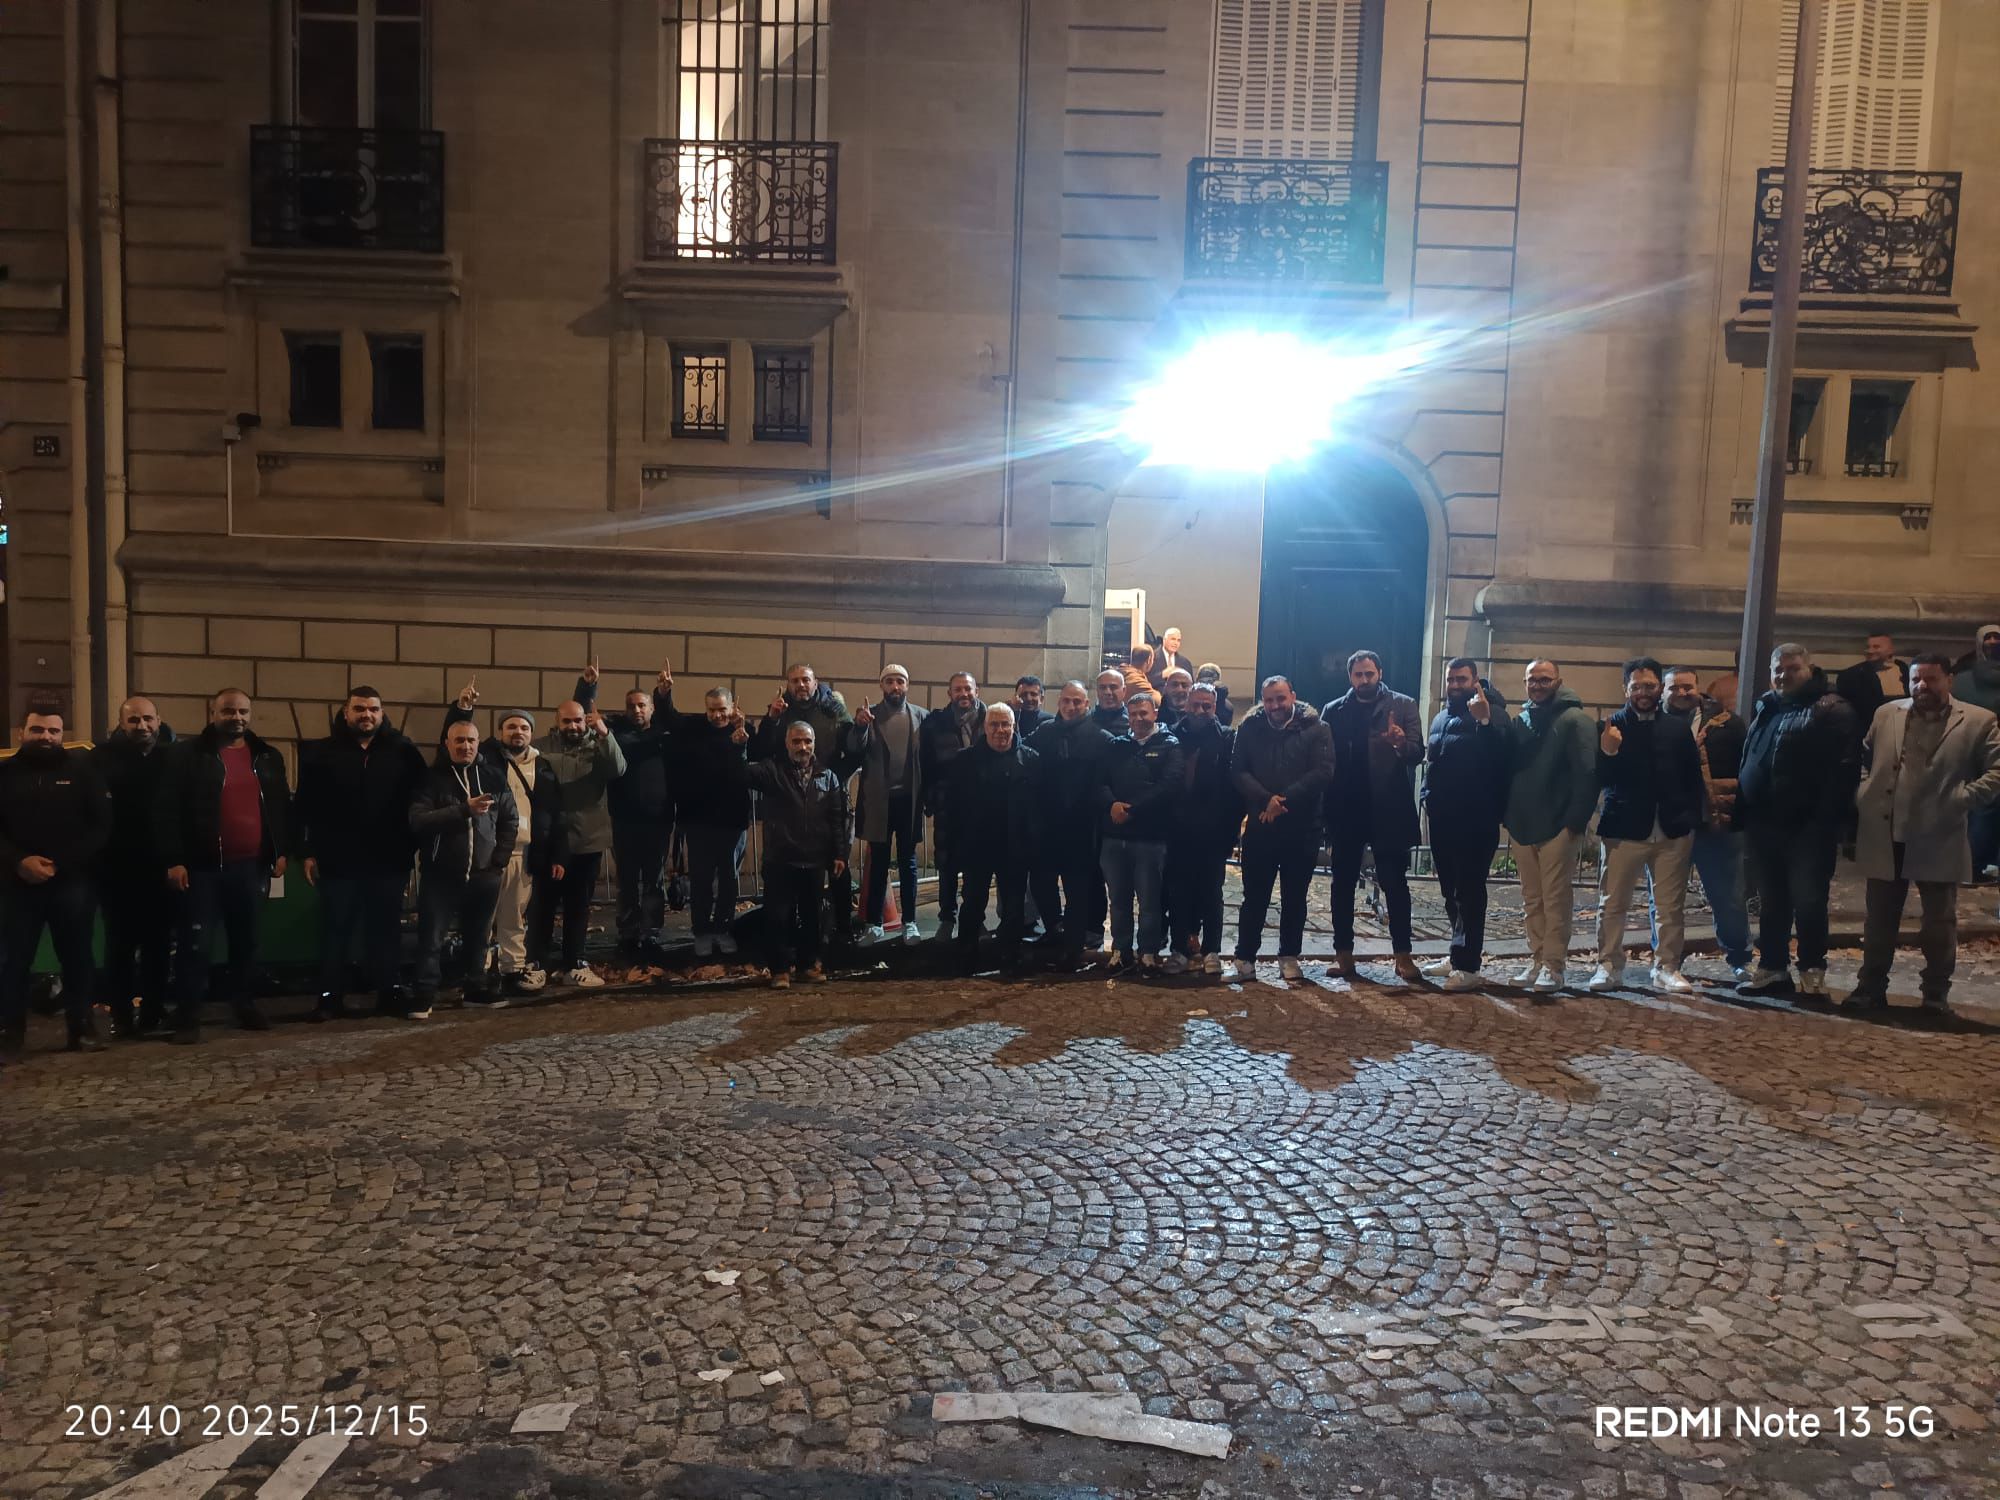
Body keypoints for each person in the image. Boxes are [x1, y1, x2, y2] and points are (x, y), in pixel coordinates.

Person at [1847, 653, 2000, 1014]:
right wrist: (1865, 791)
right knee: (1879, 918)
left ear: (1949, 679)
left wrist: (1963, 798)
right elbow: (1864, 756)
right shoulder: (1887, 714)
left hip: (1939, 831)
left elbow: (1996, 770)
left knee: (1939, 920)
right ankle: (1870, 987)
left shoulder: (1977, 720)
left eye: (1930, 679)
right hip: (1887, 829)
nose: (1921, 686)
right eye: (1915, 679)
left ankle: (1935, 993)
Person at [156, 689, 291, 1042]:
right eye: (229, 711)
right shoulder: (187, 755)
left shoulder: (267, 756)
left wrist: (279, 850)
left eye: (243, 711)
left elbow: (279, 806)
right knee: (195, 945)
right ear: (213, 712)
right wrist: (174, 860)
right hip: (201, 868)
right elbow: (167, 810)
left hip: (251, 868)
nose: (237, 717)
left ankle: (244, 1005)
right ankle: (188, 1016)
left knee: (246, 942)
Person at [295, 686, 429, 1020]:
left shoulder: (404, 752)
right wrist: (307, 851)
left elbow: (422, 799)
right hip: (337, 861)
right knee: (335, 930)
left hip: (388, 861)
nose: (366, 715)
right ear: (346, 713)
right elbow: (304, 806)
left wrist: (410, 845)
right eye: (359, 709)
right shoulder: (321, 753)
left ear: (382, 714)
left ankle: (388, 992)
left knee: (386, 930)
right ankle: (329, 997)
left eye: (373, 709)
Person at [1735, 644, 1859, 996]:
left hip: (1808, 827)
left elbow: (1844, 771)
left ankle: (1812, 970)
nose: (1783, 675)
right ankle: (1773, 968)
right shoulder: (1768, 707)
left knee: (1809, 900)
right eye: (1778, 669)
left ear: (1810, 668)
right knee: (1772, 901)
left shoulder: (1832, 709)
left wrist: (1825, 821)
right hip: (1765, 823)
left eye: (1792, 669)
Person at [0, 696, 112, 1056]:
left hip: (72, 883)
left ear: (63, 733)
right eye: (37, 729)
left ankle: (81, 1030)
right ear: (21, 732)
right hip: (16, 883)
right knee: (13, 961)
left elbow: (101, 826)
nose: (46, 736)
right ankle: (10, 1034)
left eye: (53, 730)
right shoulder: (3, 773)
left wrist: (58, 863)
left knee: (78, 959)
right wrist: (19, 861)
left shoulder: (83, 772)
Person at [1587, 658, 1703, 993]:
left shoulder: (1677, 728)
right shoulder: (1609, 726)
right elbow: (1599, 779)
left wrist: (1690, 819)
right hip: (1623, 828)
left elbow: (1692, 778)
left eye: (1649, 686)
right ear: (1625, 689)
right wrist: (1608, 752)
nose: (1642, 692)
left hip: (1671, 830)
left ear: (1659, 688)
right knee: (1612, 904)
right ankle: (1608, 966)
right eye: (1636, 686)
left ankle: (1666, 967)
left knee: (1669, 906)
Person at [443, 685, 567, 996]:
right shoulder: (486, 760)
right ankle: (480, 970)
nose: (518, 732)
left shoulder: (543, 766)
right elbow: (457, 736)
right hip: (491, 850)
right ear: (500, 732)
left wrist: (557, 854)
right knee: (483, 916)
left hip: (525, 853)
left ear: (531, 733)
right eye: (511, 726)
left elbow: (555, 813)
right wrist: (463, 709)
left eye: (524, 727)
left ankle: (513, 968)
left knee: (515, 915)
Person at [1321, 650, 1425, 982]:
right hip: (1346, 809)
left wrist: (1400, 743)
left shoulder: (1403, 705)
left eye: (1369, 673)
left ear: (1379, 672)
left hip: (1388, 808)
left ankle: (1403, 955)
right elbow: (1325, 759)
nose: (1364, 680)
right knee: (1342, 885)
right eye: (1358, 675)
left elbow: (1417, 753)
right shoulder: (1334, 710)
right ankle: (1343, 954)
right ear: (1350, 677)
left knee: (1395, 884)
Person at [409, 720, 520, 1017]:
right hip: (441, 874)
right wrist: (463, 810)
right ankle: (424, 993)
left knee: (479, 937)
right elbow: (418, 820)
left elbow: (509, 819)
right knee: (432, 937)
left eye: (471, 740)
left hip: (485, 874)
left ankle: (475, 987)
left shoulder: (493, 775)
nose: (465, 746)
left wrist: (499, 860)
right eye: (459, 740)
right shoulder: (431, 778)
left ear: (478, 742)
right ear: (447, 744)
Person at [1502, 660, 1598, 992]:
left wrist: (1574, 822)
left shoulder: (1575, 720)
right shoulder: (1523, 719)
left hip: (1557, 825)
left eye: (1544, 679)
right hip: (1523, 823)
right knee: (1532, 898)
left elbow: (1587, 773)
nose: (1537, 685)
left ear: (1558, 681)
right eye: (1532, 680)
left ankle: (1554, 966)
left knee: (1555, 900)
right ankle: (1538, 958)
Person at [731, 719, 848, 988]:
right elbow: (741, 775)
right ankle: (780, 970)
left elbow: (836, 818)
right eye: (796, 741)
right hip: (780, 859)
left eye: (807, 741)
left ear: (814, 744)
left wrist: (839, 854)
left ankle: (808, 965)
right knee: (778, 917)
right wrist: (739, 749)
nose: (802, 747)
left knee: (812, 917)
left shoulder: (827, 776)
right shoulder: (772, 771)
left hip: (815, 859)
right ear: (787, 744)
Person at [1230, 675, 1333, 980]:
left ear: (1293, 696)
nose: (1275, 705)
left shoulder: (1318, 728)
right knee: (1254, 897)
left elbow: (1322, 772)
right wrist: (1266, 800)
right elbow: (1238, 770)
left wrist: (1282, 800)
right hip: (1261, 824)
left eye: (1280, 698)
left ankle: (1289, 956)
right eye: (1269, 700)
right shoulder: (1250, 727)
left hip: (1302, 827)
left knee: (1295, 897)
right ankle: (1244, 958)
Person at [575, 659, 674, 961]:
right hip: (624, 819)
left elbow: (673, 716)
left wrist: (664, 694)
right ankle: (628, 933)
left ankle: (651, 933)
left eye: (642, 705)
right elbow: (584, 715)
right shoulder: (615, 729)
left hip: (658, 820)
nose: (637, 710)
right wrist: (588, 686)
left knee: (655, 880)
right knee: (627, 880)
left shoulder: (663, 734)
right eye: (632, 706)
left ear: (651, 708)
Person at [1422, 658, 1511, 990]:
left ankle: (1468, 965)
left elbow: (1502, 759)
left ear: (1475, 680)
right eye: (1451, 680)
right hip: (1443, 816)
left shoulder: (1494, 714)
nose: (1455, 685)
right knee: (1450, 890)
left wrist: (1484, 721)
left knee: (1470, 891)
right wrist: (1426, 795)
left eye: (1461, 679)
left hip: (1476, 817)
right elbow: (1434, 762)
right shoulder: (1441, 717)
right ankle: (1457, 953)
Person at [93, 696, 177, 1037]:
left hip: (161, 868)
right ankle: (122, 1015)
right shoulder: (100, 759)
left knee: (159, 945)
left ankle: (153, 1012)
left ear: (158, 720)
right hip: (116, 869)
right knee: (120, 947)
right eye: (133, 720)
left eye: (147, 719)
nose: (142, 726)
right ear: (121, 723)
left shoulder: (173, 758)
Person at [1663, 667, 1753, 980]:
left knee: (1729, 898)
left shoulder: (1728, 723)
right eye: (1674, 688)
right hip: (1671, 825)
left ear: (1698, 688)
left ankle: (1740, 959)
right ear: (1664, 691)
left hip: (1717, 824)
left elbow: (1746, 766)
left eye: (1687, 687)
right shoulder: (1654, 724)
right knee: (1665, 901)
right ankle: (1666, 963)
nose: (1681, 693)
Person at [531, 695, 627, 988]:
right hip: (548, 841)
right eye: (566, 721)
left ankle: (574, 962)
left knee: (578, 905)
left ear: (585, 720)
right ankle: (537, 962)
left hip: (587, 839)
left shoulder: (598, 746)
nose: (572, 726)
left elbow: (618, 768)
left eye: (577, 720)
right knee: (543, 905)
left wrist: (605, 734)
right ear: (557, 722)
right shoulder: (541, 747)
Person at [655, 671, 752, 959]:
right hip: (697, 820)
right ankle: (701, 931)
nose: (717, 715)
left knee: (729, 881)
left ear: (732, 707)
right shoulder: (694, 727)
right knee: (700, 880)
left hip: (733, 820)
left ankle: (723, 929)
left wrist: (743, 743)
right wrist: (663, 694)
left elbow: (759, 754)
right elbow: (669, 717)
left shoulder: (746, 730)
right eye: (711, 710)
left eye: (722, 709)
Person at [947, 703, 1040, 972]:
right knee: (973, 902)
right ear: (985, 728)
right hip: (978, 845)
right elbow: (953, 806)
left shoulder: (1031, 759)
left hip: (1015, 846)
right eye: (994, 724)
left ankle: (1010, 956)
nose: (1000, 730)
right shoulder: (965, 760)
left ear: (1014, 726)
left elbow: (1038, 807)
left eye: (1005, 724)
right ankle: (966, 955)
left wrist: (1032, 843)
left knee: (1013, 906)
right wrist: (955, 845)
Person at [1028, 680, 1114, 961]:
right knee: (1041, 883)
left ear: (1087, 704)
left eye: (1077, 701)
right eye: (1066, 701)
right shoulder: (1045, 732)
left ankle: (1073, 946)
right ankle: (1055, 928)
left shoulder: (1101, 739)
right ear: (1059, 702)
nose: (1071, 706)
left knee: (1078, 890)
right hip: (1046, 826)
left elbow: (1105, 782)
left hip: (1081, 828)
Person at [1097, 691, 1183, 969]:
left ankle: (1148, 951)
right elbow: (1100, 781)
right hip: (1115, 837)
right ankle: (1121, 949)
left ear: (1155, 713)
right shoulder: (1116, 746)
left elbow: (1168, 786)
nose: (1138, 718)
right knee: (1118, 900)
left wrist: (1132, 809)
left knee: (1149, 901)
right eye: (1133, 714)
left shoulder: (1170, 745)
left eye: (1143, 713)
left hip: (1150, 838)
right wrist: (1112, 804)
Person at [848, 664, 927, 944]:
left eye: (900, 681)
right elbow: (853, 749)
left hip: (909, 801)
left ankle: (910, 923)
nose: (895, 686)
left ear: (907, 685)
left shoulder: (921, 716)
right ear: (882, 685)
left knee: (908, 863)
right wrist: (859, 727)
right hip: (879, 803)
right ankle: (874, 923)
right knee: (878, 864)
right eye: (890, 681)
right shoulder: (868, 716)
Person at [1167, 681, 1241, 975]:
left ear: (1215, 708)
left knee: (1212, 893)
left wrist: (1230, 833)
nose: (1200, 711)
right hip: (1177, 831)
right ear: (1186, 705)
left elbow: (1234, 790)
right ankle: (1179, 949)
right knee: (1178, 893)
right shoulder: (1171, 735)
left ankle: (1212, 950)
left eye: (1206, 706)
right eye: (1195, 705)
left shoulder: (1227, 739)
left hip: (1213, 832)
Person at [920, 671, 986, 940]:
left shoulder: (989, 718)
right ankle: (947, 918)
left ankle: (975, 920)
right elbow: (926, 763)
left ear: (976, 691)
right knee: (946, 866)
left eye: (968, 689)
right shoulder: (935, 723)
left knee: (976, 867)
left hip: (980, 807)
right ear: (950, 694)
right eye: (958, 689)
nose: (963, 694)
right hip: (948, 805)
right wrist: (930, 798)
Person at [1951, 624, 2000, 879]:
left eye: (1996, 637)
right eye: (1988, 637)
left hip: (1974, 742)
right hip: (1979, 743)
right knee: (1983, 804)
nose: (1992, 642)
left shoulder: (1962, 676)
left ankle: (1973, 862)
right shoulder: (1963, 676)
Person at [752, 662, 852, 769]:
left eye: (806, 680)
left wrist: (837, 775)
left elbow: (852, 750)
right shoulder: (779, 708)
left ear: (815, 683)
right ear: (788, 685)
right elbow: (762, 751)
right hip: (785, 777)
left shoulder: (834, 708)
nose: (801, 685)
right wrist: (771, 719)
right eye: (795, 681)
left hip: (825, 776)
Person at [1834, 631, 1909, 739]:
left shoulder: (1904, 670)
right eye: (1868, 647)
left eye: (1876, 647)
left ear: (1891, 650)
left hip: (1902, 729)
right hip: (1870, 732)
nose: (1870, 651)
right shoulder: (1851, 676)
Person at [1091, 670, 1130, 736]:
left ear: (1124, 690)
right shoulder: (1086, 721)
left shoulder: (1133, 723)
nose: (1107, 692)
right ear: (1097, 691)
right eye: (1103, 688)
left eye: (1113, 687)